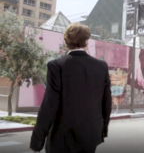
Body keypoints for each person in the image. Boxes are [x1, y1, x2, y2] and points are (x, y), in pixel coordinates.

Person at [29, 23, 112, 153]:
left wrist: (37, 142)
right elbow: (106, 102)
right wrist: (102, 130)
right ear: (86, 42)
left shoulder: (56, 65)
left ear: (66, 41)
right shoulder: (101, 66)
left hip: (62, 137)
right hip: (91, 135)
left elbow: (49, 105)